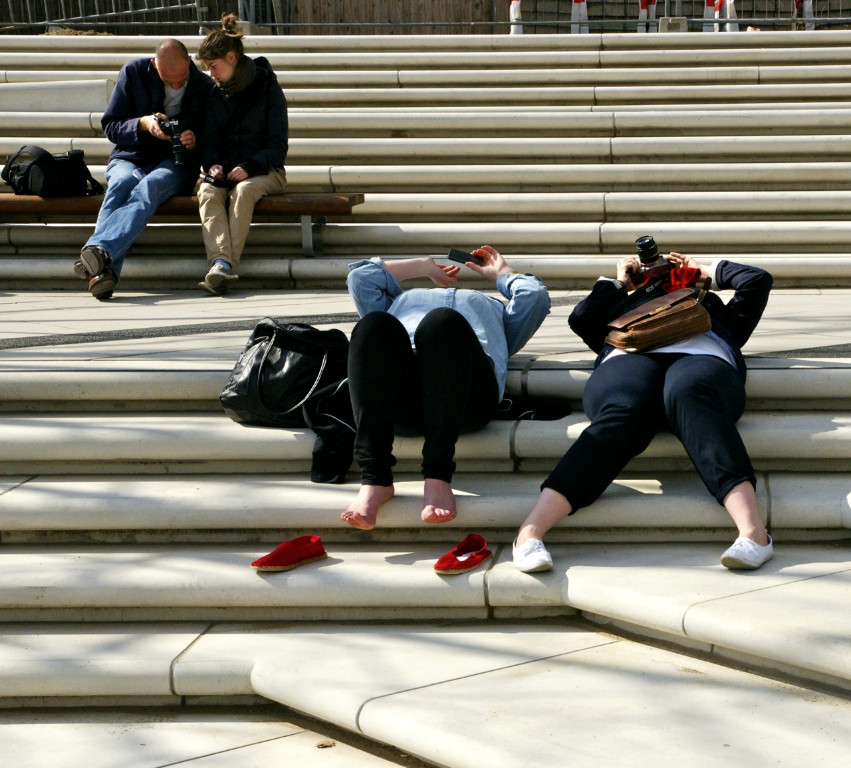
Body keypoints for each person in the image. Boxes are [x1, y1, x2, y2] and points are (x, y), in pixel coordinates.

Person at [512, 249, 774, 573]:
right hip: (628, 358)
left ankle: (753, 533)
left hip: (703, 359)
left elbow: (757, 280)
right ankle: (530, 532)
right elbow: (581, 318)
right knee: (627, 407)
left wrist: (703, 271)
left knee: (689, 392)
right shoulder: (623, 305)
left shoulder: (707, 304)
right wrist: (621, 283)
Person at [342, 247, 551, 530]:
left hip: (464, 395)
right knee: (373, 323)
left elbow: (535, 297)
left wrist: (502, 274)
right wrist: (423, 266)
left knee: (443, 322)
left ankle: (438, 476)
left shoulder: (500, 316)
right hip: (401, 397)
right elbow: (360, 278)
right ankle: (375, 479)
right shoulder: (396, 303)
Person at [74, 39, 213, 300]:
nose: (174, 86)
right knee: (121, 184)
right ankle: (103, 269)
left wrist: (195, 140)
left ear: (190, 65)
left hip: (177, 162)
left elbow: (214, 136)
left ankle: (98, 256)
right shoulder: (133, 73)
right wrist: (142, 123)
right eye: (167, 80)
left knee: (149, 186)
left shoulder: (204, 85)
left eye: (181, 81)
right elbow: (111, 127)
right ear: (154, 66)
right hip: (131, 156)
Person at [195, 13, 288, 295]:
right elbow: (209, 140)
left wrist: (249, 165)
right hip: (224, 173)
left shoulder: (268, 88)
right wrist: (211, 164)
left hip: (265, 171)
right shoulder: (213, 94)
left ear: (232, 58)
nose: (210, 74)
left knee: (244, 190)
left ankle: (224, 265)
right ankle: (221, 263)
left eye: (213, 66)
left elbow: (277, 147)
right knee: (207, 191)